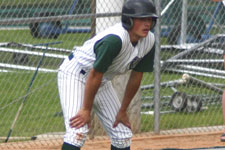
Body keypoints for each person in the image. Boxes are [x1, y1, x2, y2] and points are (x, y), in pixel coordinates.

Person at [57, 0, 158, 149]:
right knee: (77, 131)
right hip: (76, 74)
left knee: (122, 133)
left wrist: (123, 110)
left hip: (100, 81)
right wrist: (86, 109)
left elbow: (137, 76)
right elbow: (95, 74)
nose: (147, 24)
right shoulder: (115, 40)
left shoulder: (149, 40)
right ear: (129, 20)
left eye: (150, 19)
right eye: (142, 19)